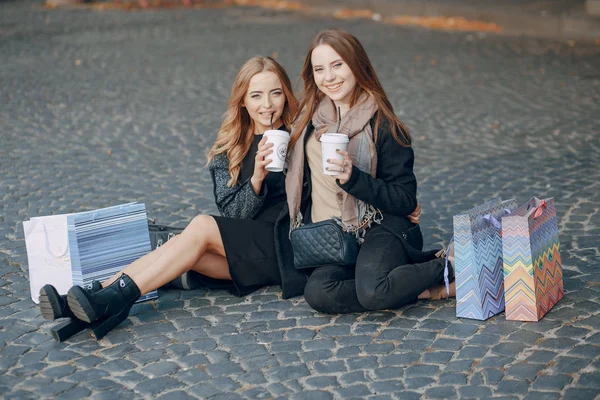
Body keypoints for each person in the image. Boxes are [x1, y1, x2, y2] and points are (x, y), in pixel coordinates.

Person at [38, 56, 299, 339]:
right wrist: (256, 178)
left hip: (283, 247)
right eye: (256, 95)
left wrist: (274, 171)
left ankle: (108, 298)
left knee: (200, 226)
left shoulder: (298, 137)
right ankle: (95, 296)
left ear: (286, 95)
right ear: (242, 101)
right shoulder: (230, 148)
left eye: (275, 93)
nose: (267, 104)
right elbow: (235, 216)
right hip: (245, 252)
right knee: (177, 249)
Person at [285, 28, 455, 314]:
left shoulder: (384, 125)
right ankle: (413, 286)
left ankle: (449, 265)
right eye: (320, 69)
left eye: (337, 64)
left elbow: (404, 200)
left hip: (382, 227)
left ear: (357, 65)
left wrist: (354, 178)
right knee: (318, 293)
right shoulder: (305, 122)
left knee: (373, 293)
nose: (329, 77)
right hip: (334, 236)